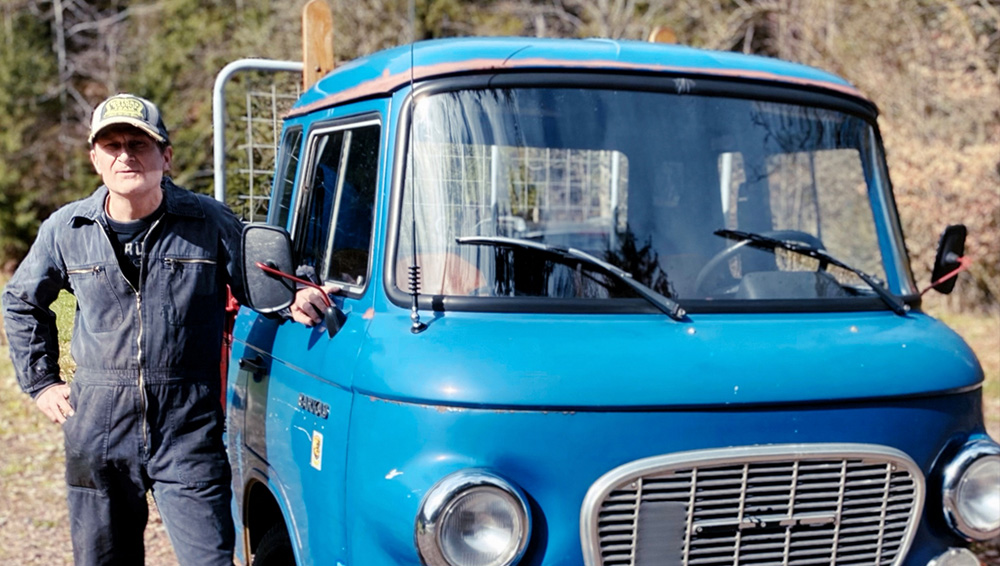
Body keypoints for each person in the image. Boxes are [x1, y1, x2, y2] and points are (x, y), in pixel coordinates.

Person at [2, 94, 246, 566]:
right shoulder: (67, 228)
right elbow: (20, 300)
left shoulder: (209, 221)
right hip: (98, 428)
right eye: (111, 146)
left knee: (210, 559)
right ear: (95, 159)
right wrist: (41, 382)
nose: (125, 156)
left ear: (166, 156)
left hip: (187, 425)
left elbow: (259, 285)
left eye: (138, 144)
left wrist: (294, 295)